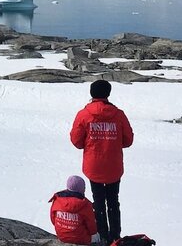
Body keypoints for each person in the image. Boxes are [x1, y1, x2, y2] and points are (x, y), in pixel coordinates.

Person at [70, 79, 133, 242]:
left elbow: (77, 141)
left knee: (98, 201)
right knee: (113, 201)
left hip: (94, 166)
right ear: (108, 94)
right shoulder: (118, 114)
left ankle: (103, 236)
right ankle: (115, 236)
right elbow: (128, 140)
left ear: (92, 94)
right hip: (113, 166)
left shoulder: (84, 114)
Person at [49, 174, 99, 244]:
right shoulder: (85, 204)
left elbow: (53, 219)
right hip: (82, 239)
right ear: (82, 189)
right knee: (97, 237)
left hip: (62, 236)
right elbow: (92, 227)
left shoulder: (57, 200)